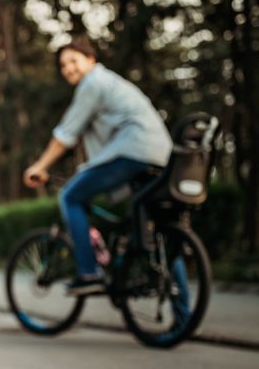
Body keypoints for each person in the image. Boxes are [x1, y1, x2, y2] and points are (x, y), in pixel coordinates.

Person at [23, 38, 173, 295]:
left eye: (73, 61)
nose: (68, 68)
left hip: (134, 151)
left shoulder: (92, 83)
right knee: (159, 232)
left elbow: (65, 135)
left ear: (91, 60)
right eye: (63, 65)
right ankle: (183, 318)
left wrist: (40, 166)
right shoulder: (113, 83)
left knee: (70, 196)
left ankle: (89, 273)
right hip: (161, 155)